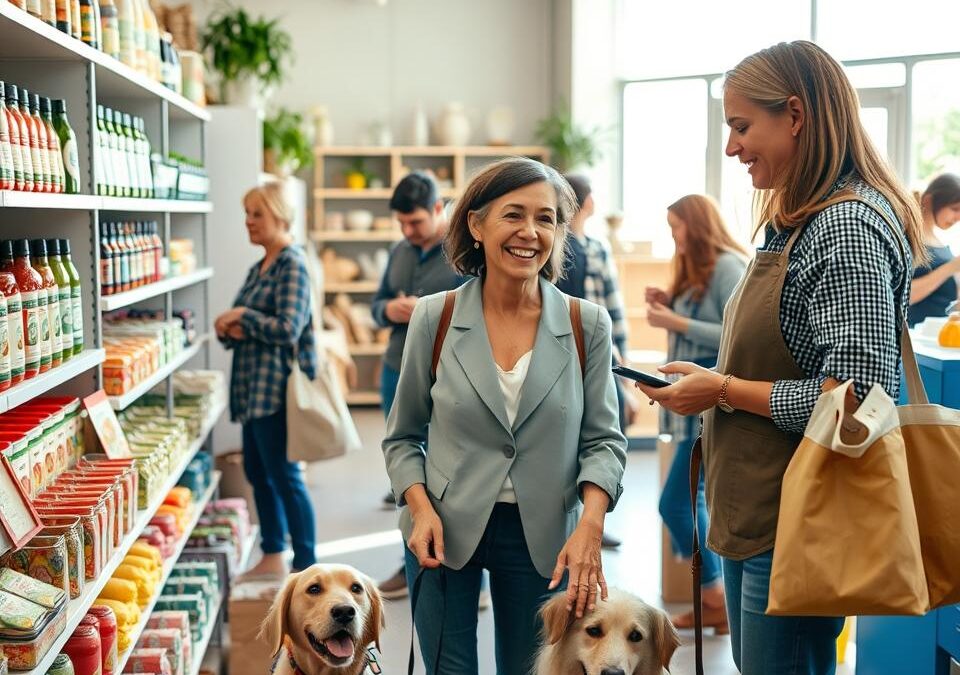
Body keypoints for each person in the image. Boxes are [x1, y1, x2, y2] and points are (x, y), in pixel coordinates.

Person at [636, 41, 925, 675]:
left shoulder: (844, 228)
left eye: (742, 127)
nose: (734, 147)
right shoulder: (793, 223)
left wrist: (720, 391)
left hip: (797, 518)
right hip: (760, 506)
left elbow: (855, 402)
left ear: (795, 115)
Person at [383, 157, 627, 674]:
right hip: (442, 528)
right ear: (476, 224)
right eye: (513, 215)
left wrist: (590, 523)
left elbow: (604, 441)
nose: (529, 233)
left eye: (546, 219)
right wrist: (420, 508)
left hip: (543, 535)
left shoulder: (587, 325)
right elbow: (402, 436)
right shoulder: (436, 317)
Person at [644, 194, 747, 633]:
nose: (673, 235)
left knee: (676, 504)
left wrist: (677, 322)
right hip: (691, 410)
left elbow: (735, 332)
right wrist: (670, 301)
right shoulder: (696, 268)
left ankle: (716, 595)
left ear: (697, 224)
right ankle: (713, 599)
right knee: (682, 501)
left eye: (676, 226)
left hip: (710, 408)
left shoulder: (729, 266)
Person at [370, 172, 467, 599]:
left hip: (450, 373)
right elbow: (376, 305)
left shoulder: (465, 253)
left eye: (415, 223)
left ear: (437, 209)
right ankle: (412, 559)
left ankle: (465, 568)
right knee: (405, 467)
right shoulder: (398, 253)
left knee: (448, 473)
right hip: (397, 367)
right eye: (402, 225)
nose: (408, 232)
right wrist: (390, 308)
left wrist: (429, 313)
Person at [215, 183, 319, 577]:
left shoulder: (292, 263)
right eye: (247, 213)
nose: (248, 222)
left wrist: (242, 318)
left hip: (276, 390)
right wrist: (234, 323)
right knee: (259, 474)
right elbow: (235, 323)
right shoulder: (260, 266)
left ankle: (307, 563)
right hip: (251, 390)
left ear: (279, 215)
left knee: (285, 476)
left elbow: (288, 328)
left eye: (257, 213)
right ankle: (274, 552)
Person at [557, 173, 629, 550]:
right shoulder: (577, 249)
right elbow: (612, 311)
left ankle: (590, 521)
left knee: (599, 437)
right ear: (586, 204)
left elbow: (607, 312)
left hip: (594, 354)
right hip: (580, 357)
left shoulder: (594, 248)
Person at [908, 173, 960, 326]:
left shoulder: (941, 243)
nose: (958, 217)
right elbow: (904, 295)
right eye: (954, 208)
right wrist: (950, 268)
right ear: (929, 200)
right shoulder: (910, 240)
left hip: (939, 336)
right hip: (916, 337)